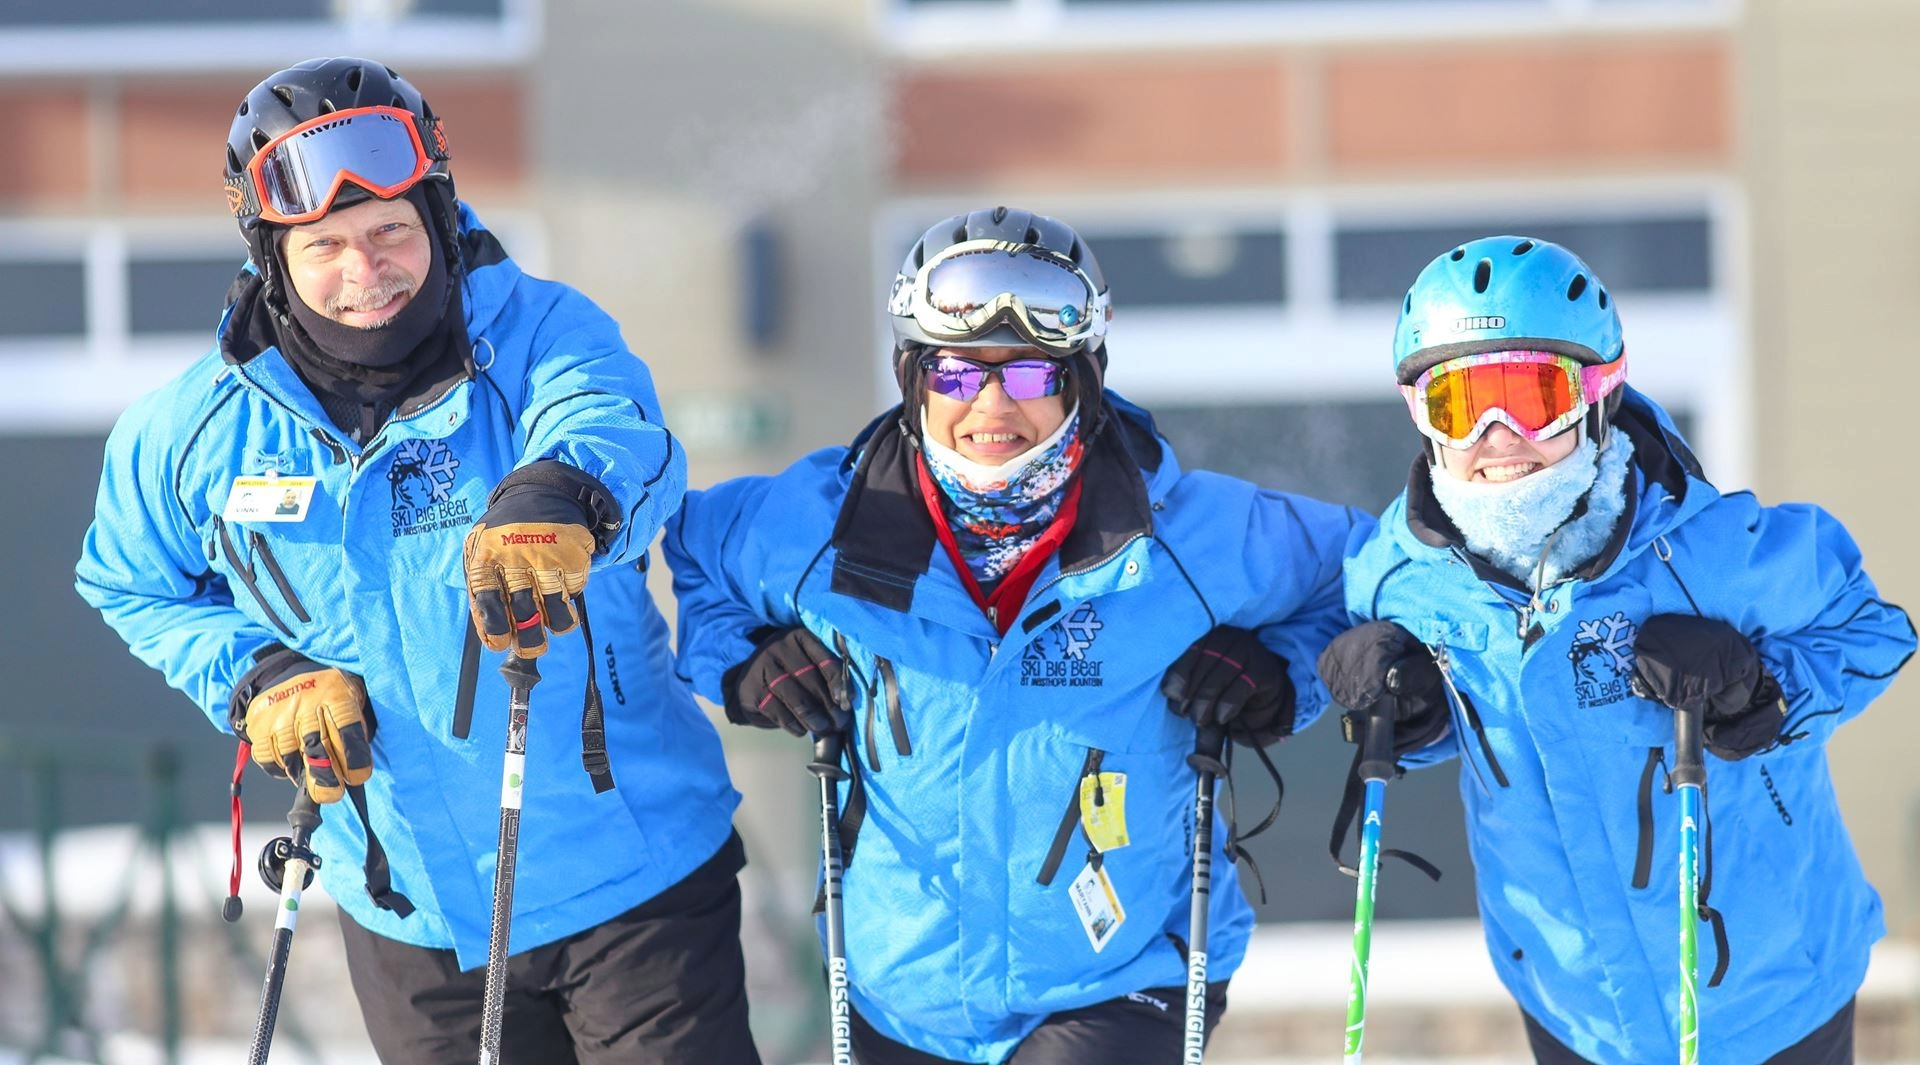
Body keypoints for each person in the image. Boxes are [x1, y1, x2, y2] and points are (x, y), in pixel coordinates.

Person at [74, 57, 759, 1065]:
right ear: (274, 255)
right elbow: (131, 584)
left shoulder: (541, 336)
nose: (366, 271)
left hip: (633, 876)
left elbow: (618, 429)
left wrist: (556, 494)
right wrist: (259, 677)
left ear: (437, 219)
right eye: (326, 247)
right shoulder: (190, 432)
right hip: (409, 907)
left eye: (391, 232)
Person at [663, 206, 1366, 1064]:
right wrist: (747, 661)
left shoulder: (1187, 535)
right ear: (912, 379)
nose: (991, 407)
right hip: (899, 986)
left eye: (1029, 376)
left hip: (1121, 970)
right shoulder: (824, 528)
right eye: (957, 377)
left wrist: (1283, 672)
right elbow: (695, 552)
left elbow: (1364, 573)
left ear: (1083, 380)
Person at [1317, 235, 1916, 1065]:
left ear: (1597, 397)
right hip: (1574, 1004)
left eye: (1531, 394)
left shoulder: (1713, 551)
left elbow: (1877, 632)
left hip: (1770, 988)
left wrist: (1762, 691)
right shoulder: (1397, 579)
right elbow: (1457, 720)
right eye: (1461, 405)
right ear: (1420, 415)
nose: (1498, 437)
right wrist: (1410, 711)